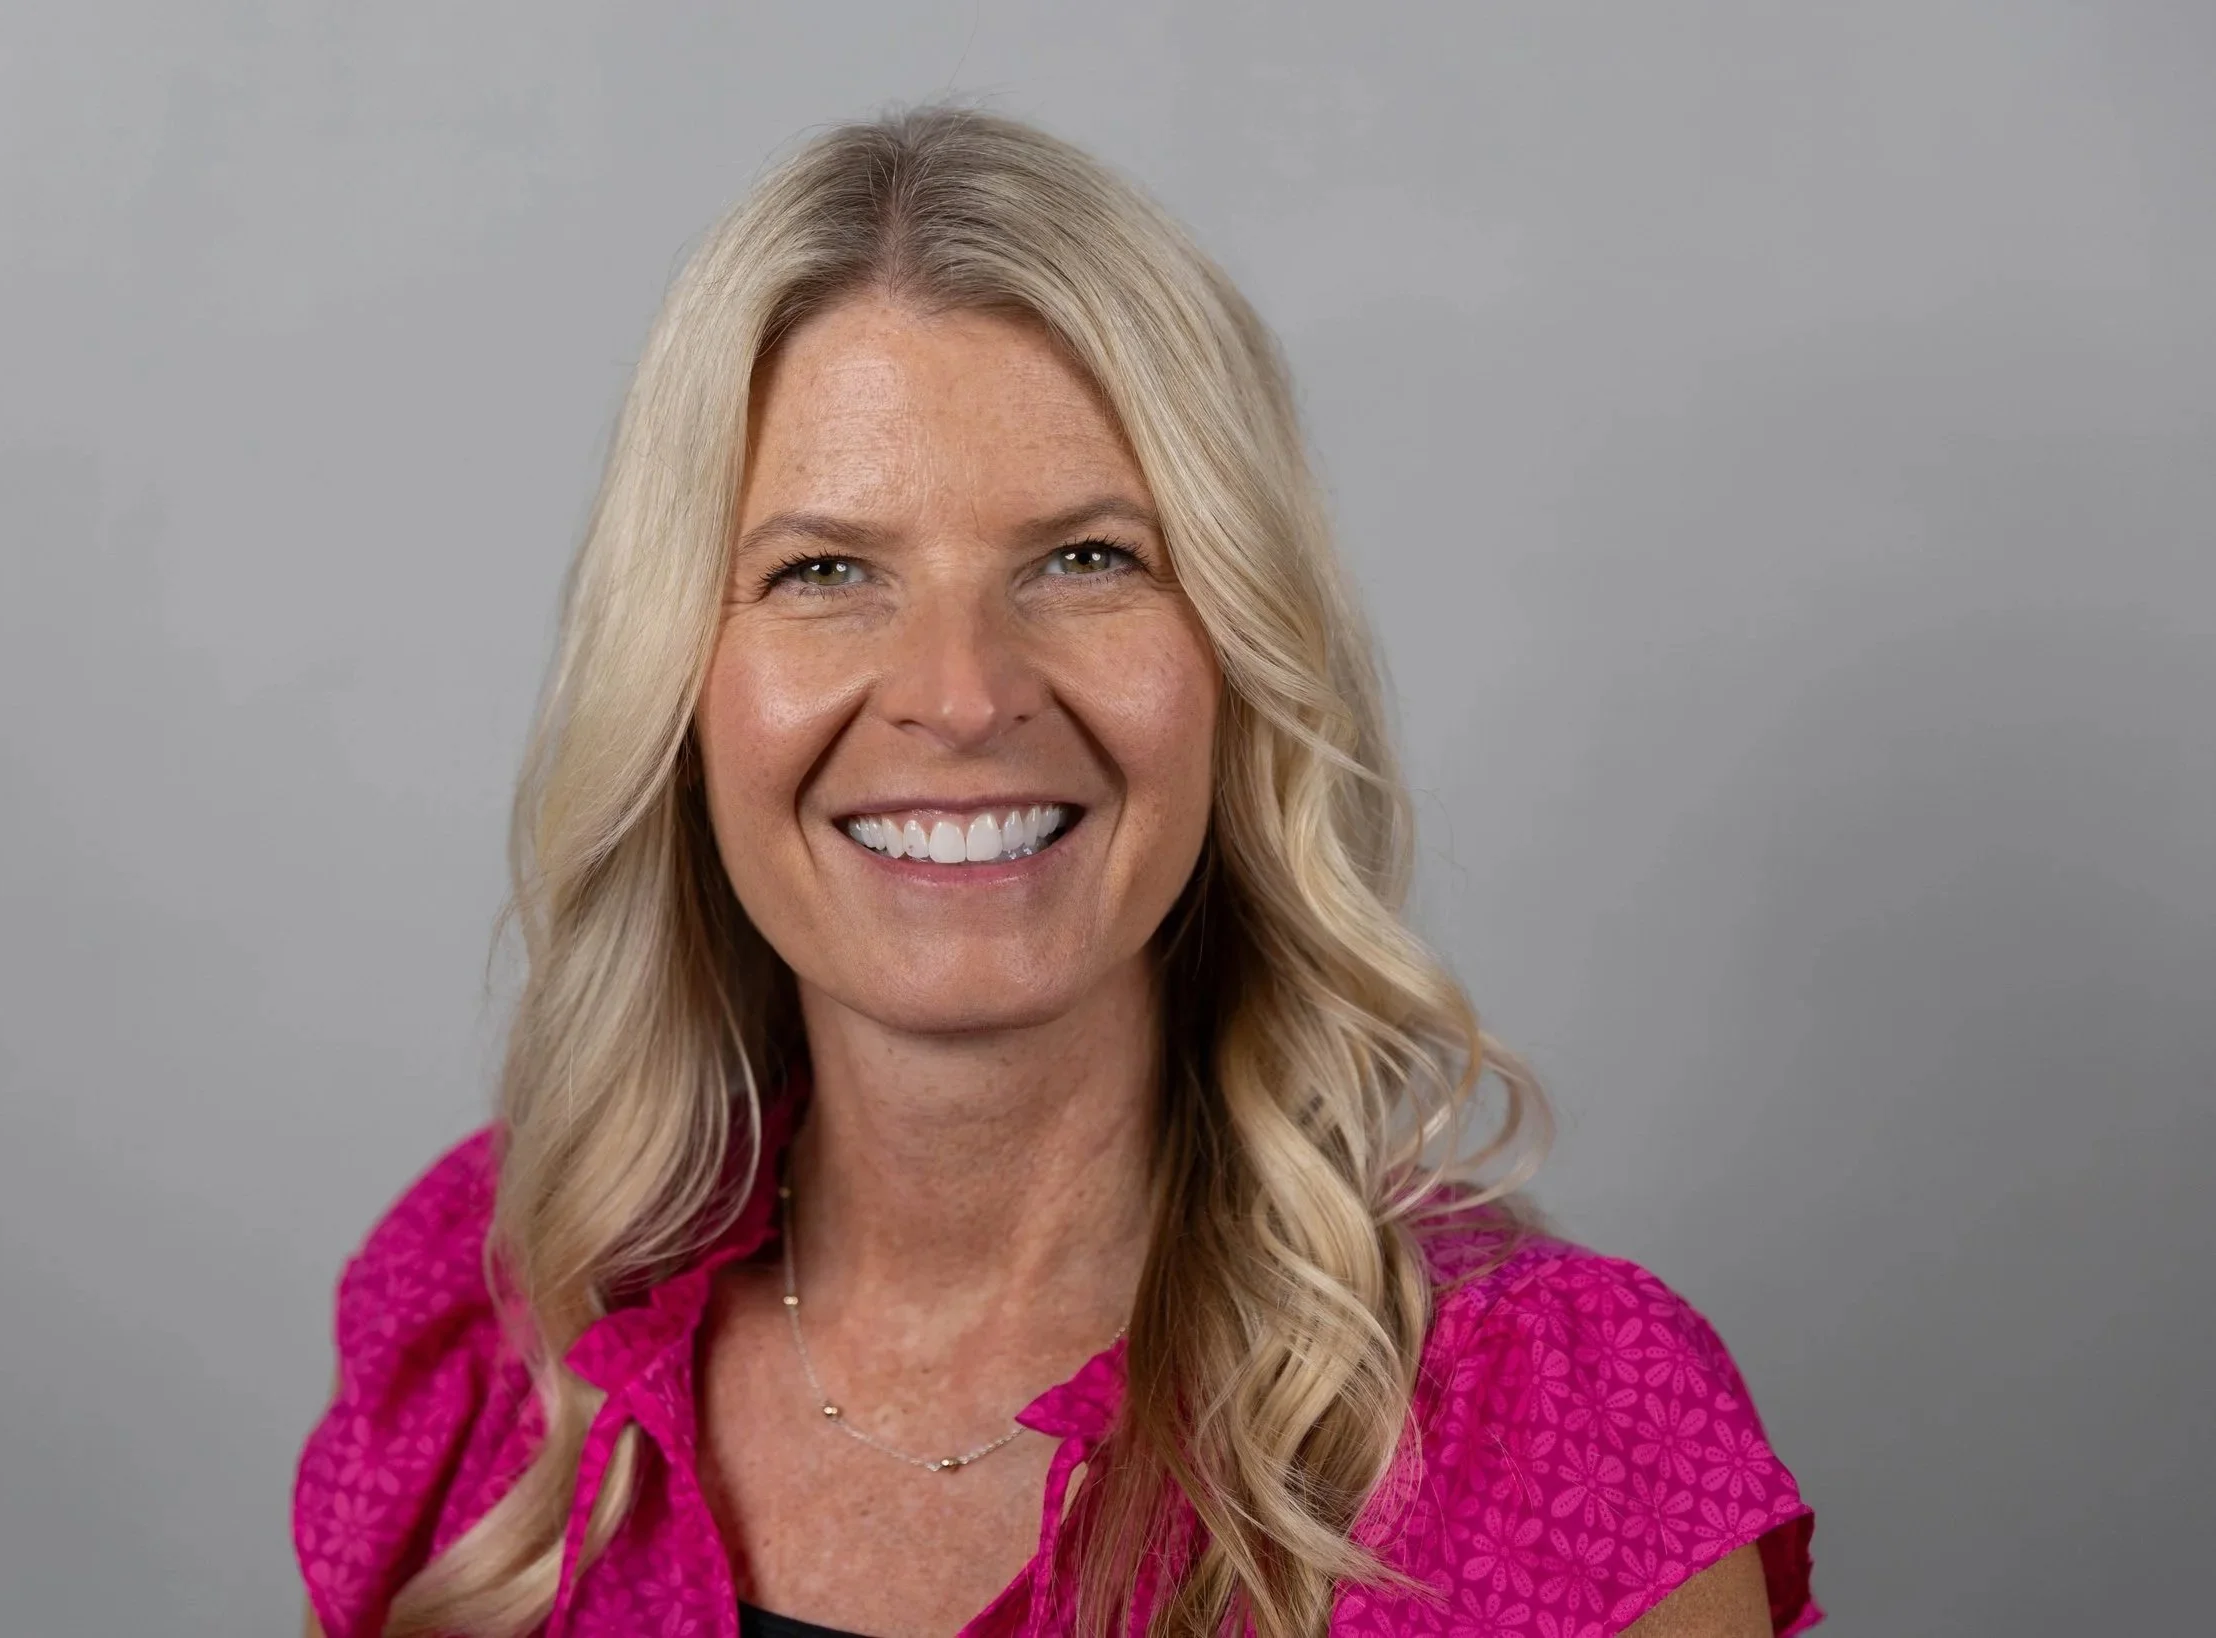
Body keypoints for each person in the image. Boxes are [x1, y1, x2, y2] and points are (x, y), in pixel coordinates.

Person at [292, 106, 1816, 1638]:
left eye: (1088, 558)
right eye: (824, 571)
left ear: (1238, 655)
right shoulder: (497, 1323)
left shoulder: (1559, 1424)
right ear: (678, 688)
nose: (960, 695)